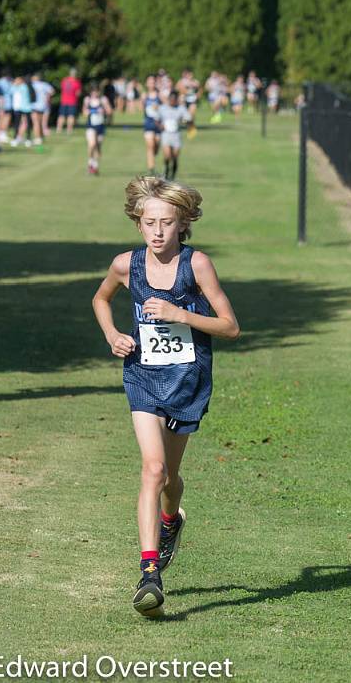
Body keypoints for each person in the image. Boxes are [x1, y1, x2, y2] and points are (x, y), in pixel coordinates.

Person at [91, 176, 240, 616]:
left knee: (170, 479)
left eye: (167, 223)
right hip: (142, 375)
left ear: (183, 224)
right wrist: (113, 334)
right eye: (149, 222)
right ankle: (149, 573)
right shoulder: (126, 265)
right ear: (138, 224)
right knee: (152, 469)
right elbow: (101, 300)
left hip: (188, 379)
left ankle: (171, 520)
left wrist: (180, 314)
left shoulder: (197, 266)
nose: (158, 232)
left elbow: (230, 326)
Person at [157, 91, 190, 181]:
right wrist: (160, 126)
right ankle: (167, 170)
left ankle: (173, 176)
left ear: (176, 100)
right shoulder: (162, 108)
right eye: (170, 100)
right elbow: (156, 119)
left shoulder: (181, 108)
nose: (172, 102)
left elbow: (188, 119)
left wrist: (185, 121)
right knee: (167, 155)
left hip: (176, 135)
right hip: (166, 134)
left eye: (174, 100)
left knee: (175, 157)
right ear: (168, 99)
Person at [84, 82, 113, 175]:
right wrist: (89, 112)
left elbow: (109, 111)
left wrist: (103, 111)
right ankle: (90, 163)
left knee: (98, 147)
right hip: (90, 126)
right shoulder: (87, 100)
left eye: (96, 91)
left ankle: (95, 166)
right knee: (92, 144)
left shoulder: (103, 100)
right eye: (93, 91)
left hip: (100, 126)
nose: (95, 93)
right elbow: (84, 112)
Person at [142, 76, 163, 176]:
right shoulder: (144, 95)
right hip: (148, 124)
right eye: (149, 82)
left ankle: (152, 158)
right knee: (150, 146)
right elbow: (141, 108)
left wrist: (158, 107)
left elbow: (166, 106)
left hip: (158, 124)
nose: (151, 84)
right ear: (146, 84)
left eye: (153, 82)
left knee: (156, 146)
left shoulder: (160, 95)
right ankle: (151, 169)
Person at [30, 72, 54, 146]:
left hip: (34, 105)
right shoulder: (44, 85)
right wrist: (48, 98)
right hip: (43, 105)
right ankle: (40, 137)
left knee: (35, 123)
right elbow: (52, 92)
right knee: (40, 122)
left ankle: (37, 138)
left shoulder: (32, 85)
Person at [10, 74, 33, 148]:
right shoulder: (16, 87)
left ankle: (28, 139)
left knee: (28, 124)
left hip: (26, 107)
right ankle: (16, 138)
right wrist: (14, 85)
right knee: (17, 124)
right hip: (18, 108)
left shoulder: (24, 87)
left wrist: (14, 85)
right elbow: (11, 92)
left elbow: (15, 90)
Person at [58, 68, 82, 134]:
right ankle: (69, 129)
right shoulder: (77, 82)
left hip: (63, 101)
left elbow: (62, 89)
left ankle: (59, 129)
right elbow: (78, 93)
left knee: (61, 115)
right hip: (72, 101)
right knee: (71, 115)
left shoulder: (64, 80)